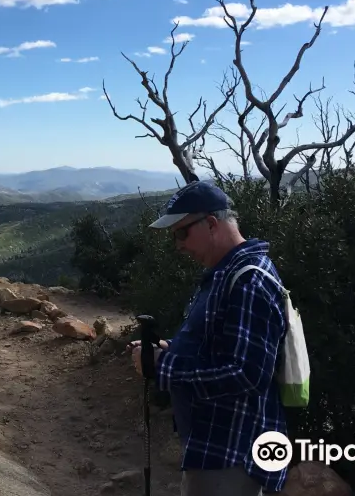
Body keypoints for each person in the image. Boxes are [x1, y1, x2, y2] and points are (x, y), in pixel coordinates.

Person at [127, 180, 289, 495]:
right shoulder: (227, 274)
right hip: (217, 447)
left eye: (181, 232)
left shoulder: (249, 281)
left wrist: (164, 368)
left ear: (211, 223)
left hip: (232, 456)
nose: (178, 244)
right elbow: (218, 349)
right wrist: (169, 351)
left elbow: (247, 374)